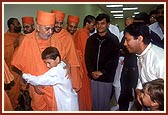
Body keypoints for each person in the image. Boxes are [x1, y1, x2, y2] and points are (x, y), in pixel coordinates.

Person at [11, 10, 62, 111]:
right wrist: (33, 83)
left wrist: (67, 64)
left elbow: (62, 59)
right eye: (47, 29)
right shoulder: (27, 40)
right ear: (38, 27)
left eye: (52, 29)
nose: (50, 32)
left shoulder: (55, 38)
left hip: (55, 86)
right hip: (37, 88)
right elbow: (18, 65)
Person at [123, 22, 164, 111]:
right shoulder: (140, 55)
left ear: (140, 39)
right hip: (147, 101)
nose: (124, 44)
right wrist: (138, 90)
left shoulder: (160, 60)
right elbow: (142, 76)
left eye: (127, 40)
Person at [22, 46, 79, 111]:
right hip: (70, 100)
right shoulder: (62, 65)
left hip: (66, 104)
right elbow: (63, 60)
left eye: (49, 63)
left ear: (57, 59)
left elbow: (38, 81)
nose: (47, 66)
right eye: (45, 63)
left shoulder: (56, 71)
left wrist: (24, 75)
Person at [85, 13, 120, 111]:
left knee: (104, 104)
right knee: (94, 103)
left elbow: (114, 60)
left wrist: (102, 72)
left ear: (108, 24)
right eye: (98, 23)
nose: (100, 26)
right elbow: (87, 57)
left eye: (103, 23)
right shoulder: (91, 40)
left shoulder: (113, 40)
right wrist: (91, 71)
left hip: (106, 77)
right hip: (93, 77)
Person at [51, 10, 82, 93]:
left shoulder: (67, 36)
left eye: (61, 23)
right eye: (56, 23)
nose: (58, 25)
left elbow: (71, 57)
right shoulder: (48, 34)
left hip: (65, 70)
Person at [73, 15, 96, 111]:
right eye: (93, 25)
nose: (94, 27)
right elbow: (85, 54)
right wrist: (89, 70)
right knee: (84, 93)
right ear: (87, 23)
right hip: (83, 68)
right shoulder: (82, 34)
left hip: (82, 67)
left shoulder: (83, 33)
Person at [4, 17, 23, 109]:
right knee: (12, 92)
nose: (20, 25)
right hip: (11, 71)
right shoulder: (4, 38)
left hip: (22, 71)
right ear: (11, 25)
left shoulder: (22, 36)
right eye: (18, 23)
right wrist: (13, 46)